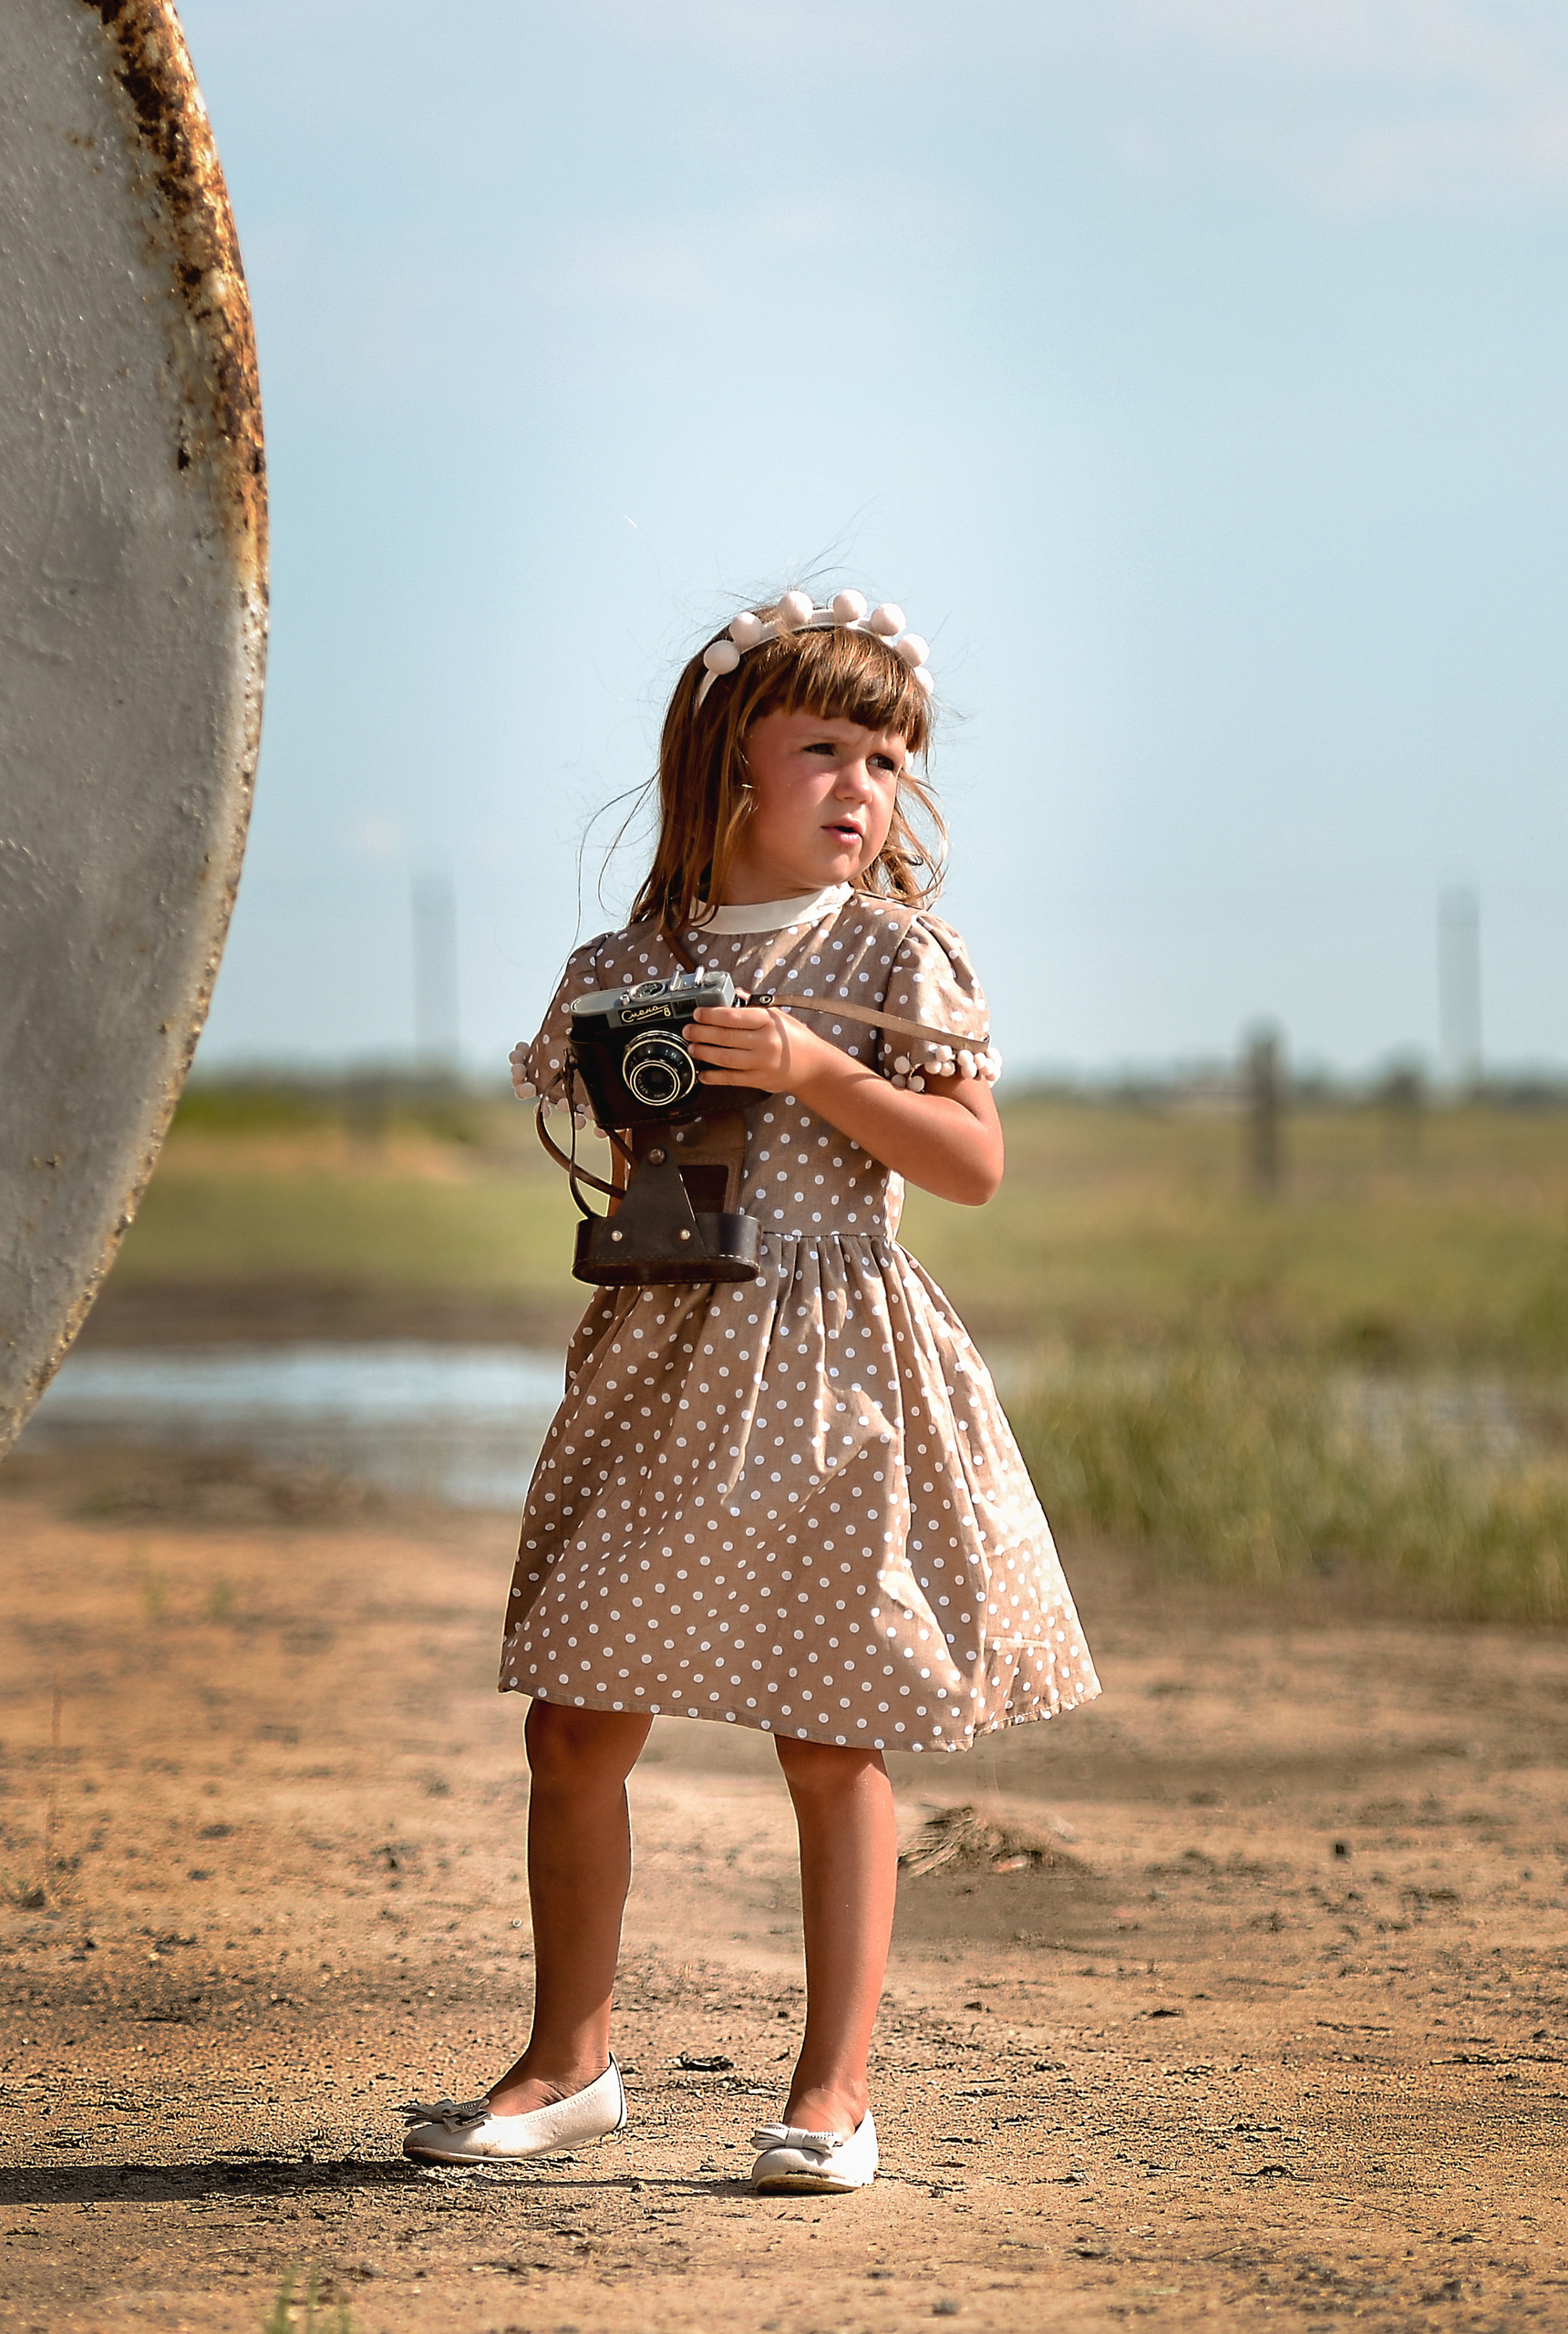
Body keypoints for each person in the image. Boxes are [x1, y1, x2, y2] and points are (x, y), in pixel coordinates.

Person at [401, 589, 1099, 2193]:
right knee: (574, 1722)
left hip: (844, 1363)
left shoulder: (893, 955)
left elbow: (977, 1166)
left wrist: (815, 1069)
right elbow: (609, 1139)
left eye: (892, 761)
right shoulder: (627, 960)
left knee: (830, 1731)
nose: (867, 791)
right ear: (729, 765)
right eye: (830, 753)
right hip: (664, 1357)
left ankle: (834, 2092)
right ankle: (569, 2062)